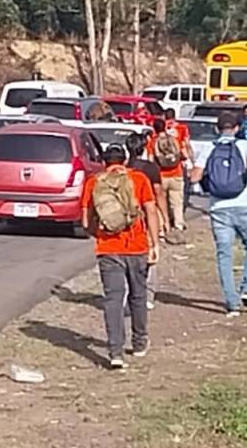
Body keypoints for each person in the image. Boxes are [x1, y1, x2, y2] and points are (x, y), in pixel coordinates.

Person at [81, 144, 160, 370]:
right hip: (137, 246)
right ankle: (139, 342)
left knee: (113, 300)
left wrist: (100, 233)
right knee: (138, 295)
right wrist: (154, 242)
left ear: (105, 162)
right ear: (124, 161)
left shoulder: (94, 182)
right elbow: (151, 211)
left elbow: (86, 222)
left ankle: (115, 351)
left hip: (108, 248)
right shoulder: (139, 179)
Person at [191, 111, 247, 315]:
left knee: (224, 253)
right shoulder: (244, 145)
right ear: (237, 128)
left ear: (217, 128)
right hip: (244, 204)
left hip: (218, 208)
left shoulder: (209, 148)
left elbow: (195, 177)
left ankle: (232, 302)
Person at [126, 132, 166, 309]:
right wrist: (165, 218)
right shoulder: (150, 168)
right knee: (151, 255)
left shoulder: (123, 166)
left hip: (126, 216)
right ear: (144, 147)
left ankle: (131, 293)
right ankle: (148, 295)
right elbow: (158, 194)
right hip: (147, 213)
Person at [147, 116, 190, 237]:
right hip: (176, 174)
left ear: (154, 129)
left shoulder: (152, 142)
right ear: (165, 127)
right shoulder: (173, 139)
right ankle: (179, 225)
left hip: (161, 176)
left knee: (160, 203)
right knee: (177, 202)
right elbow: (184, 155)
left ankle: (162, 227)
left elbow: (150, 160)